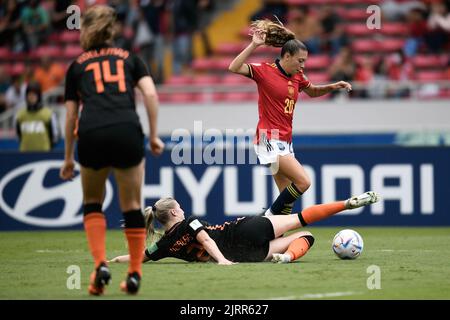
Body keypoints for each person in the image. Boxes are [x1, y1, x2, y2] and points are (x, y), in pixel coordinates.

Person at [59, 5, 165, 296]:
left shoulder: (77, 66)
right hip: (126, 131)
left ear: (86, 30)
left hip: (91, 133)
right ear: (112, 29)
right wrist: (154, 135)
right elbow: (151, 94)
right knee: (131, 205)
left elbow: (70, 117)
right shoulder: (131, 59)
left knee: (93, 202)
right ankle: (133, 273)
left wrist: (68, 157)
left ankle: (99, 266)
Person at [228, 20, 352, 216]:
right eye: (300, 60)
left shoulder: (297, 76)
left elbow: (311, 92)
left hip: (285, 141)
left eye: (305, 61)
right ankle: (266, 218)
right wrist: (254, 45)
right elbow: (234, 67)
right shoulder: (265, 71)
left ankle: (270, 240)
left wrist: (332, 86)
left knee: (285, 204)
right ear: (287, 56)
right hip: (269, 137)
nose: (302, 65)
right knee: (304, 182)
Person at [109, 191, 380, 265]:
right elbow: (206, 240)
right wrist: (222, 261)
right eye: (178, 206)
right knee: (302, 221)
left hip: (248, 254)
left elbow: (138, 258)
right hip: (242, 232)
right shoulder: (189, 221)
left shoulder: (163, 245)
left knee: (304, 234)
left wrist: (109, 261)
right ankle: (345, 204)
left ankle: (285, 256)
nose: (182, 208)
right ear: (174, 212)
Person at [15, 81, 59, 152]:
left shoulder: (48, 114)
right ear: (26, 96)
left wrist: (48, 148)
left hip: (43, 155)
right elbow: (18, 136)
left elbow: (55, 136)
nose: (31, 96)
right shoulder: (20, 115)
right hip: (24, 155)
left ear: (39, 96)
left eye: (34, 94)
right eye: (29, 94)